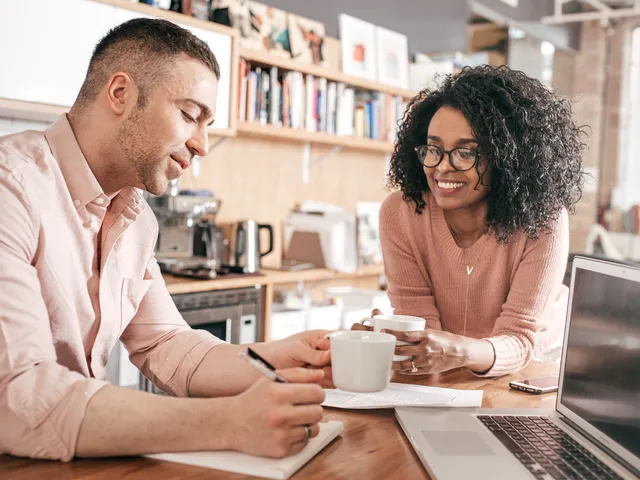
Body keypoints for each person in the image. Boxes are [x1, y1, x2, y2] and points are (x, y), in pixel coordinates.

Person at [0, 18, 333, 462]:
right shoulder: (11, 189)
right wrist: (229, 423)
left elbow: (167, 346)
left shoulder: (136, 218)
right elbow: (16, 395)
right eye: (190, 115)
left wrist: (283, 357)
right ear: (120, 94)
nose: (202, 145)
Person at [355, 66, 585, 377]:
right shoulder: (401, 214)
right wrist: (398, 340)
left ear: (507, 158)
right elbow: (422, 332)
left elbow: (519, 339)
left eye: (465, 153)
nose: (442, 168)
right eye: (434, 149)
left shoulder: (543, 221)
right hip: (447, 371)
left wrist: (457, 351)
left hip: (530, 369)